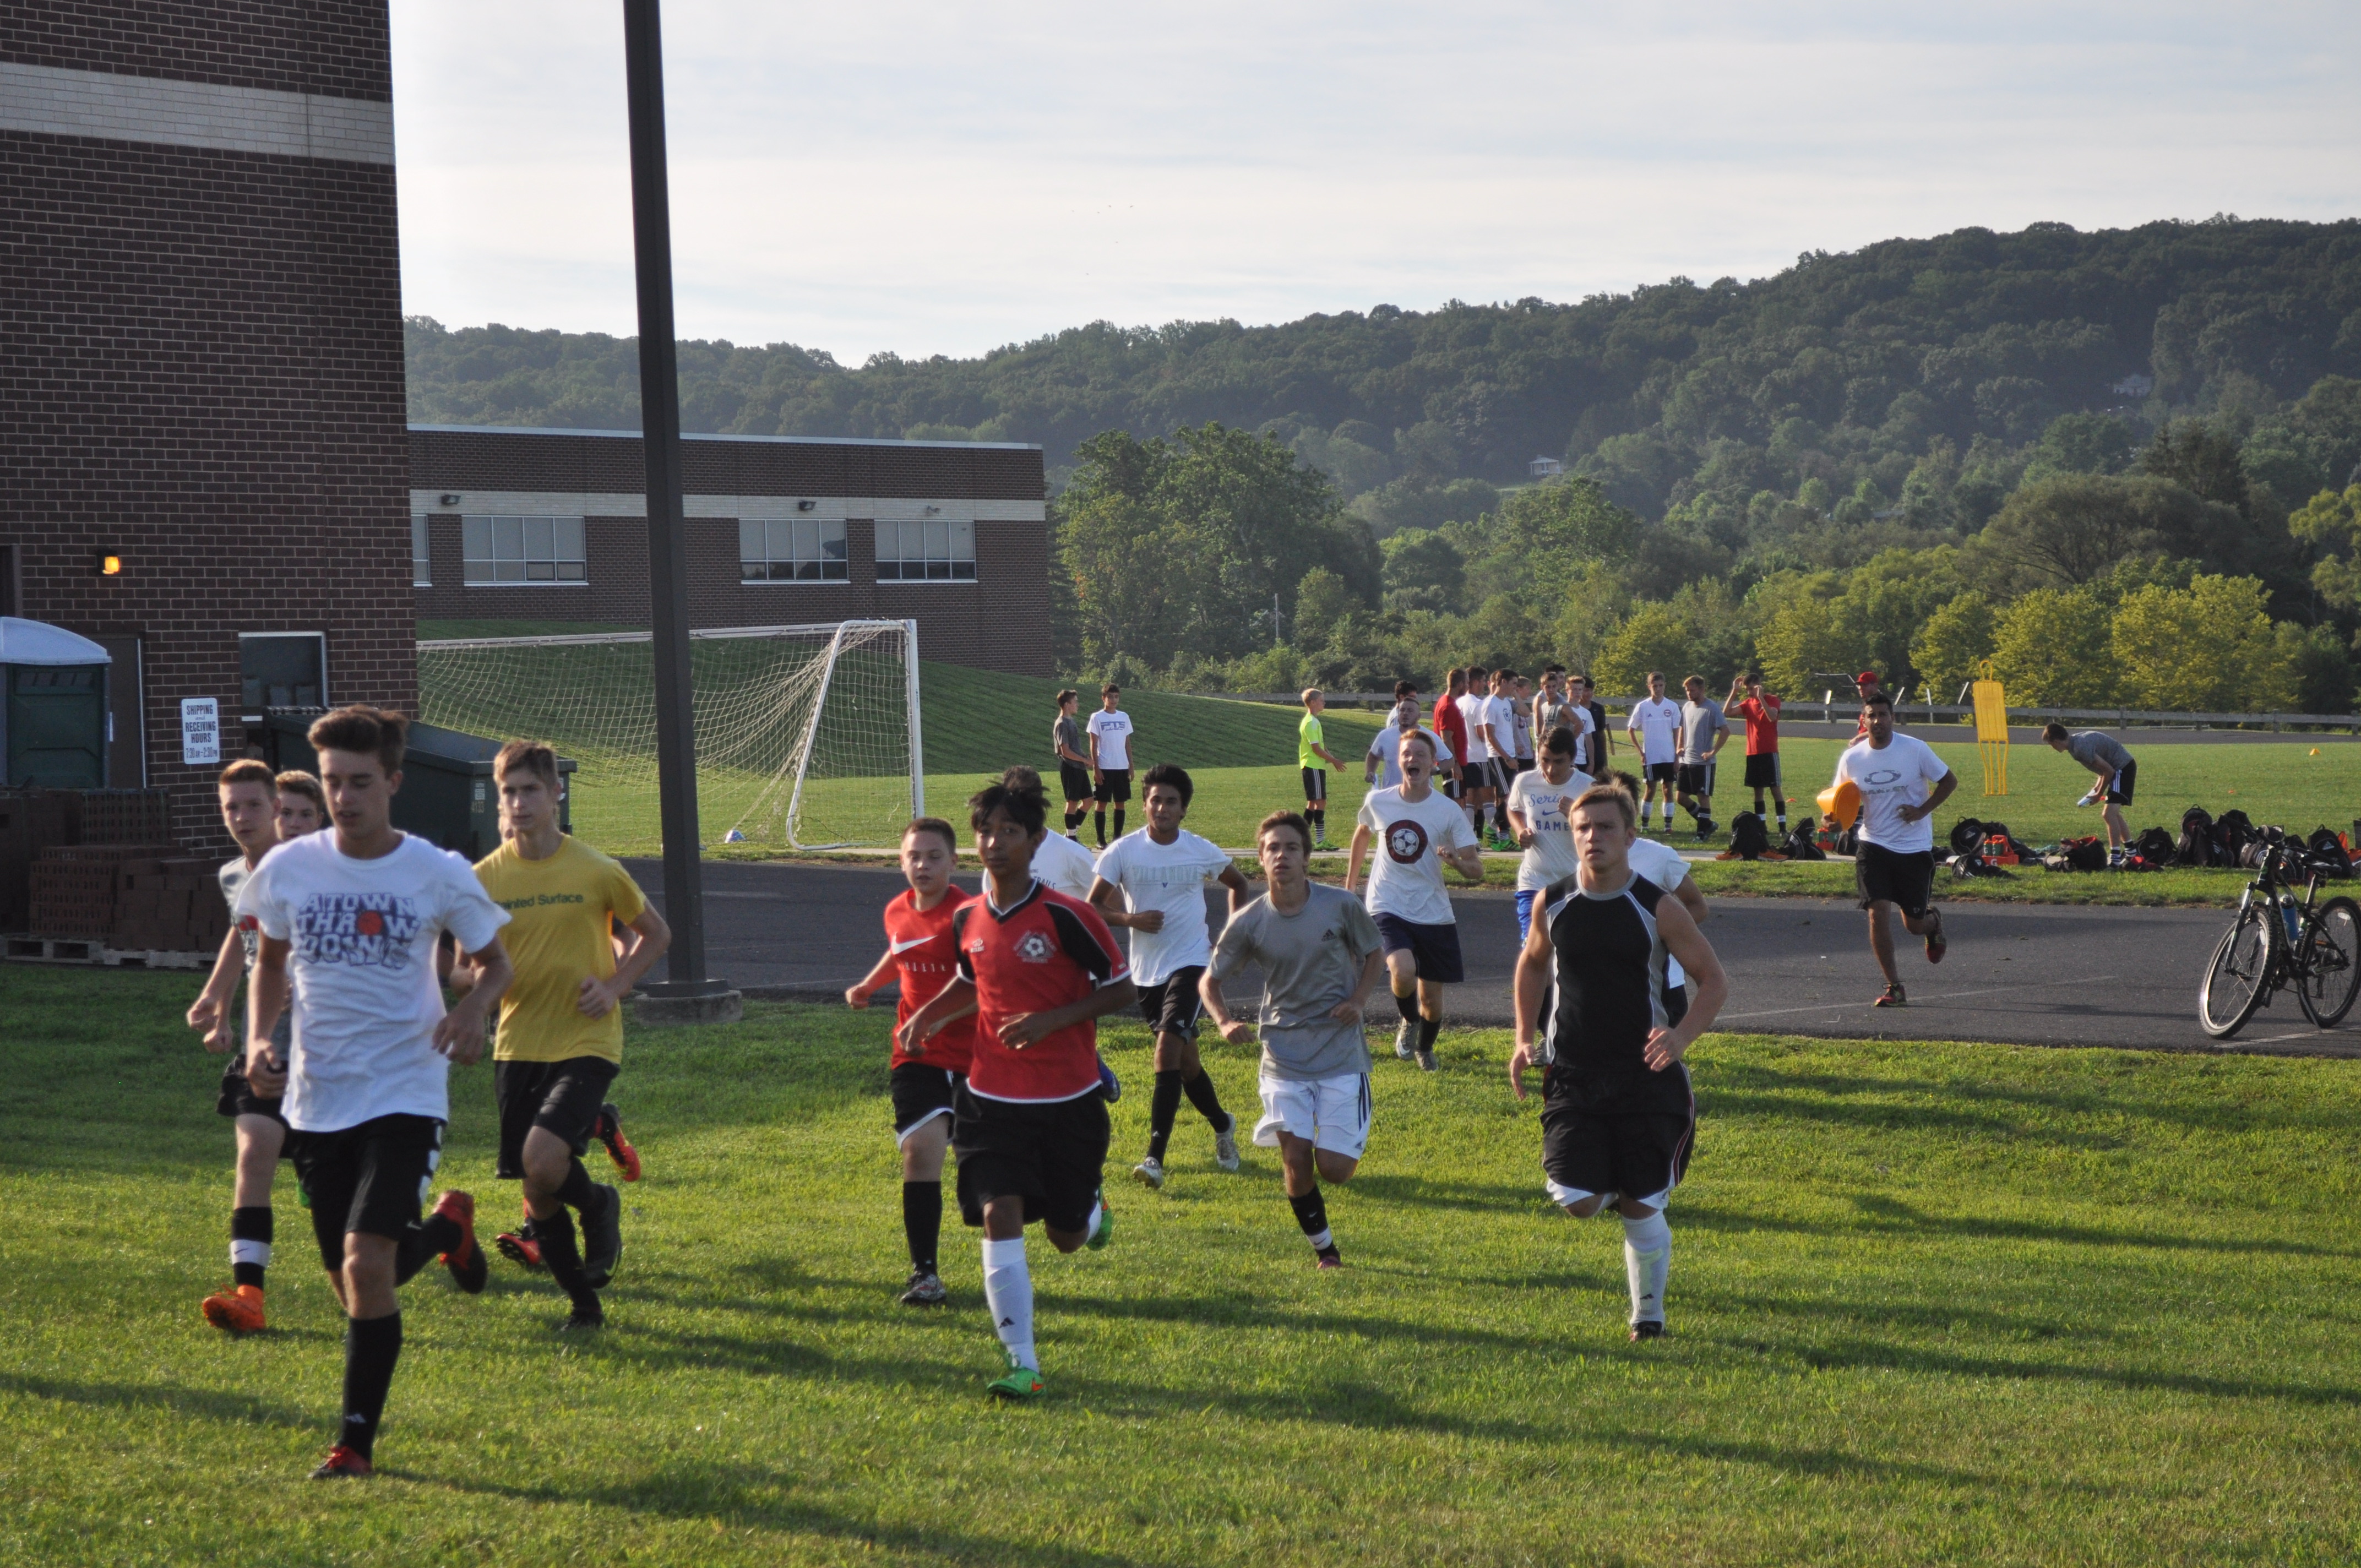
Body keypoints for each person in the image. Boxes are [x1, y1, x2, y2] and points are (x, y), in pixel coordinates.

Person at [236, 705, 513, 1478]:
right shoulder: (289, 869)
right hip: (319, 1100)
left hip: (406, 1088)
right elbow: (268, 964)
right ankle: (448, 1229)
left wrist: (469, 1009)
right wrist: (262, 1037)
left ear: (393, 781)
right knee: (353, 1284)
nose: (344, 798)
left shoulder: (436, 870)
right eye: (332, 782)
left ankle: (354, 1445)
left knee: (365, 1267)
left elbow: (495, 962)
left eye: (361, 782)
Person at [899, 774, 1133, 1400]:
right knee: (997, 1212)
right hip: (990, 1100)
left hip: (1069, 1101)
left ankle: (1090, 1208)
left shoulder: (1069, 914)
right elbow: (973, 978)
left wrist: (1053, 1019)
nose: (994, 842)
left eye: (1009, 832)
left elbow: (1124, 987)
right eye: (985, 832)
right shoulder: (968, 918)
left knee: (1064, 1237)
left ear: (1034, 841)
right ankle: (1022, 1363)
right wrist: (930, 1013)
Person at [1509, 783, 1727, 1342]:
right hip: (1573, 1075)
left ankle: (1647, 1318)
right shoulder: (1551, 900)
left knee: (1641, 1208)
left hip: (1647, 1079)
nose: (1592, 837)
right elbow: (1532, 966)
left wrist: (1679, 1038)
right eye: (1583, 828)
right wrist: (1519, 1037)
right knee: (1577, 1201)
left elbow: (1713, 981)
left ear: (1630, 837)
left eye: (1605, 827)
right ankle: (1609, 1182)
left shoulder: (1657, 905)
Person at [470, 741, 671, 1332]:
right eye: (508, 791)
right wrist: (467, 989)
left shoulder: (596, 869)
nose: (518, 802)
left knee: (542, 1158)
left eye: (530, 789)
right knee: (538, 1189)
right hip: (517, 1043)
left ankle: (600, 1205)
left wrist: (615, 986)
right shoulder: (483, 879)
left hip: (587, 1039)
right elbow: (463, 964)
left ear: (556, 793)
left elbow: (655, 934)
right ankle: (584, 1304)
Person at [1201, 811, 1385, 1270]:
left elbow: (1375, 953)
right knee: (1296, 1158)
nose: (1281, 855)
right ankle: (1326, 1251)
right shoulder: (1248, 922)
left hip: (1341, 1052)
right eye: (1271, 849)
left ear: (1306, 858)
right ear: (1261, 860)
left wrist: (1360, 1001)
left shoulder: (1340, 905)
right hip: (1282, 1055)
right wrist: (1224, 1021)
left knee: (1335, 1170)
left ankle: (1350, 1129)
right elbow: (1210, 982)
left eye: (1291, 848)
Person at [187, 760, 318, 1333]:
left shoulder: (315, 873)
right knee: (254, 1153)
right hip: (266, 1052)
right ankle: (249, 1295)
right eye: (230, 807)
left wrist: (305, 976)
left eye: (254, 806)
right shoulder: (233, 875)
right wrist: (215, 998)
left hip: (326, 1056)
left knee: (338, 1197)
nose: (243, 817)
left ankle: (441, 1231)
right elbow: (242, 936)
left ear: (275, 809)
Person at [1089, 763, 1250, 1190]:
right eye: (1155, 800)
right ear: (1144, 805)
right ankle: (1223, 1125)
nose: (1161, 808)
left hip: (1193, 962)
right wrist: (1130, 919)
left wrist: (1228, 939)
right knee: (1187, 1062)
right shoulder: (1122, 851)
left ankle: (1154, 1158)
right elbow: (1093, 908)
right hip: (1146, 972)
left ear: (1184, 810)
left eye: (1171, 802)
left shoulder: (1200, 850)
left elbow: (1239, 885)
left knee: (1166, 1051)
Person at [846, 818, 977, 1306]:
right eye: (913, 857)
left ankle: (1077, 1198)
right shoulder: (896, 910)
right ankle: (925, 1274)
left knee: (981, 1183)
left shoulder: (968, 915)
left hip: (973, 1057)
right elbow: (901, 951)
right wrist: (868, 985)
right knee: (921, 1154)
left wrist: (938, 1019)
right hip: (915, 1055)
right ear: (901, 862)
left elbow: (987, 989)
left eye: (934, 856)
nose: (923, 865)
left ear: (954, 861)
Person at [1345, 731, 1484, 1071]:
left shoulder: (1448, 811)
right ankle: (1409, 1021)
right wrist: (1350, 886)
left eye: (1420, 755)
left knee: (1432, 1002)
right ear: (1398, 761)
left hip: (1433, 911)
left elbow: (1476, 870)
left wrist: (1455, 862)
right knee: (1403, 969)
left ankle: (1425, 1046)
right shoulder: (1379, 801)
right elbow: (1363, 832)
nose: (1412, 760)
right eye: (1406, 754)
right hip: (1387, 902)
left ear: (1433, 763)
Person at [997, 767, 1122, 1106]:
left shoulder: (1070, 854)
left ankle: (1089, 1080)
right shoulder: (998, 854)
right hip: (1020, 970)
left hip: (1073, 970)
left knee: (1068, 1042)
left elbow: (1112, 901)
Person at [1834, 692, 1957, 1007]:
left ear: (1893, 718)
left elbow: (1949, 781)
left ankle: (1933, 923)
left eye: (1883, 715)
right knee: (1877, 913)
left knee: (1913, 925)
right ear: (1864, 720)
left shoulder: (1915, 749)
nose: (1877, 721)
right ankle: (1895, 987)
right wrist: (1834, 820)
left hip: (1914, 848)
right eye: (1871, 715)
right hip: (1873, 844)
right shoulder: (1853, 758)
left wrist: (1922, 811)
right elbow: (1839, 802)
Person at [1505, 727, 1594, 942]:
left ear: (1572, 759)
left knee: (1568, 950)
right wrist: (1521, 830)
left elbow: (1599, 832)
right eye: (1545, 760)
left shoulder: (1588, 787)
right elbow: (1514, 808)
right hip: (1534, 879)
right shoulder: (1526, 782)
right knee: (1533, 947)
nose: (1550, 769)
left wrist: (1576, 815)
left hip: (1575, 882)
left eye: (1558, 761)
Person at [2044, 723, 2136, 863]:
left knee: (2109, 813)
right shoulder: (2075, 743)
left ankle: (2116, 858)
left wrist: (2099, 795)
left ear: (2056, 741)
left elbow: (2109, 771)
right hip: (2120, 768)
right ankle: (2131, 851)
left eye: (2051, 745)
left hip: (2122, 768)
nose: (2053, 748)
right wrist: (2094, 790)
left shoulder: (2080, 748)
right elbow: (2102, 771)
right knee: (2113, 813)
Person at [1728, 672, 1787, 833]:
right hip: (1753, 752)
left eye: (1752, 689)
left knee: (1775, 789)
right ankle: (1762, 826)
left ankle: (1782, 827)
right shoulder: (1748, 703)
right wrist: (1734, 691)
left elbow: (1772, 717)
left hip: (1769, 751)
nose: (1749, 692)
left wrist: (1761, 698)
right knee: (1758, 790)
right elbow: (1726, 712)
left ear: (1759, 685)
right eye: (1747, 689)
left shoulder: (1772, 699)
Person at [1625, 673, 1683, 834]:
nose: (1658, 689)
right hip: (1651, 756)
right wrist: (1641, 752)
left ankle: (1668, 825)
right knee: (1650, 790)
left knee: (1668, 789)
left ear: (1665, 685)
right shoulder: (1643, 707)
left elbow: (1677, 732)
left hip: (1669, 756)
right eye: (1654, 686)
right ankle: (1645, 825)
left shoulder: (1671, 707)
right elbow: (1631, 730)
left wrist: (1677, 756)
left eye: (1661, 686)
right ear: (1649, 686)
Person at [1674, 675, 1729, 842]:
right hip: (1686, 760)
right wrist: (1679, 745)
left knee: (1702, 796)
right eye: (1687, 690)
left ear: (1702, 689)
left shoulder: (1711, 708)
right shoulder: (1686, 707)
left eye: (1692, 690)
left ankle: (1701, 833)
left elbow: (1725, 731)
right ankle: (1708, 823)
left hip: (1703, 763)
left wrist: (1713, 752)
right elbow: (1682, 727)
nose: (1689, 693)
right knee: (1681, 798)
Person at [1368, 685, 1452, 792]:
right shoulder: (1385, 735)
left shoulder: (1428, 736)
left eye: (1410, 711)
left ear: (1419, 716)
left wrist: (1434, 770)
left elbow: (1449, 760)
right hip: (1391, 795)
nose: (1405, 714)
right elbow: (1373, 755)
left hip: (1421, 795)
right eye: (1402, 710)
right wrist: (1370, 772)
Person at [1297, 688, 1350, 848]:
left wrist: (1332, 759)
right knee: (1320, 801)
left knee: (1314, 802)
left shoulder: (1314, 721)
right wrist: (1334, 760)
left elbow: (1322, 745)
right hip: (1312, 765)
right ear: (1313, 702)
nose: (1324, 703)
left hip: (1315, 765)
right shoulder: (1311, 722)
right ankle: (1319, 840)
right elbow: (1316, 749)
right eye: (1321, 700)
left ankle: (1302, 839)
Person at [1086, 683, 1135, 849]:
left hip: (1121, 766)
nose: (1114, 700)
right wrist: (1096, 768)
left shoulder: (1124, 717)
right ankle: (1101, 839)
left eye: (1116, 697)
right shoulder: (1097, 717)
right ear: (1103, 698)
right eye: (1110, 697)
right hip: (1105, 766)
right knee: (1102, 802)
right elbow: (1093, 744)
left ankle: (1117, 838)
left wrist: (1131, 765)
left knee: (1120, 802)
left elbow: (1127, 743)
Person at [1455, 664, 1498, 840]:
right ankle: (1496, 834)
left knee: (1470, 800)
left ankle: (1470, 838)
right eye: (1482, 682)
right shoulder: (1478, 704)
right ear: (1474, 682)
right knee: (1489, 797)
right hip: (1480, 756)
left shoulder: (1458, 703)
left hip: (1465, 756)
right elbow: (1482, 734)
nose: (1484, 686)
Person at [1052, 689, 1094, 840]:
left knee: (1089, 801)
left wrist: (1085, 757)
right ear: (1067, 704)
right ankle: (1071, 839)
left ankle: (1071, 834)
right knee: (1072, 802)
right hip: (1070, 767)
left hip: (1079, 767)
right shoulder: (1062, 724)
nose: (1078, 705)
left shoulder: (1071, 722)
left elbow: (1074, 748)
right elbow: (1065, 751)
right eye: (1075, 702)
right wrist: (1083, 760)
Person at [1432, 668, 1471, 805]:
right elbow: (1446, 737)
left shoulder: (1449, 703)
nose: (1468, 687)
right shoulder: (1448, 706)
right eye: (1467, 683)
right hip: (1453, 763)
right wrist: (1455, 764)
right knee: (1456, 804)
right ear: (1460, 684)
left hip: (1458, 761)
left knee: (1461, 801)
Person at [1575, 673, 1613, 778]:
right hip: (1579, 753)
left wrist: (1604, 757)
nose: (1589, 693)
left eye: (1591, 690)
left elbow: (1601, 733)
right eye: (1586, 690)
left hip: (1596, 752)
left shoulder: (1598, 709)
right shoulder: (1571, 710)